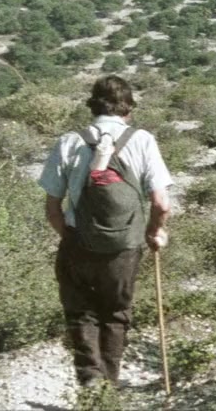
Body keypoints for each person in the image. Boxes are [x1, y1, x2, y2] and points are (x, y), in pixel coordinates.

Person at [37, 75, 173, 388]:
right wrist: (154, 232)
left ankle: (90, 380)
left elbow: (52, 207)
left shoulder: (69, 141)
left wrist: (71, 237)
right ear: (129, 109)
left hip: (77, 242)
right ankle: (109, 385)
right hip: (124, 246)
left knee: (81, 313)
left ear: (93, 106)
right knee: (116, 313)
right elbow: (161, 203)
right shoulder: (142, 140)